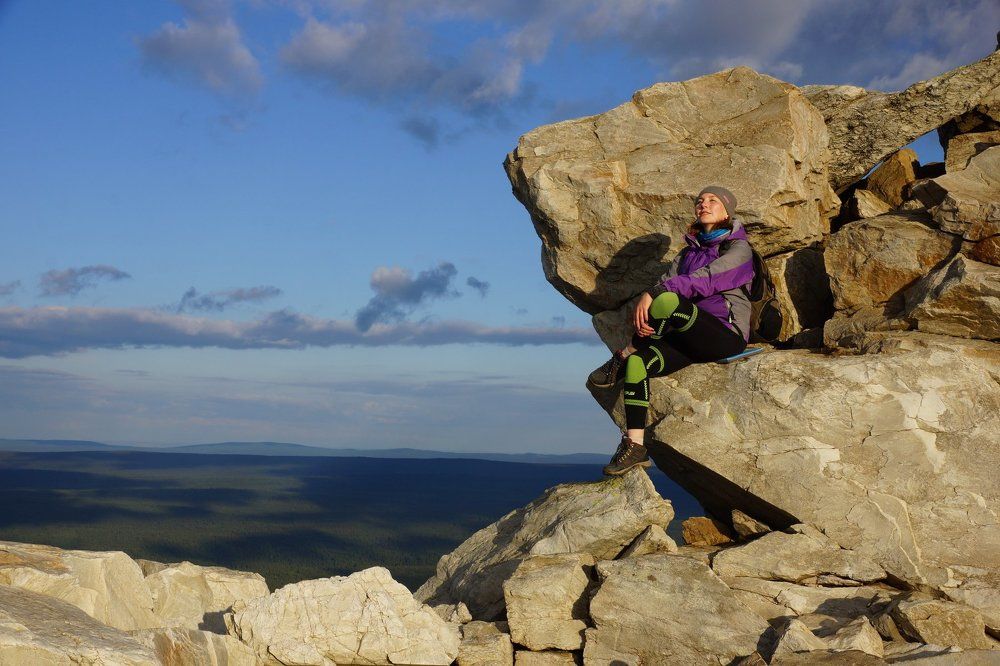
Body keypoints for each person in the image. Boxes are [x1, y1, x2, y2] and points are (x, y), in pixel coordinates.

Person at [589, 186, 753, 476]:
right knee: (639, 366)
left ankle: (626, 352)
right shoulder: (687, 253)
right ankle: (635, 446)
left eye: (713, 200)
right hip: (688, 338)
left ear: (728, 211)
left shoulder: (738, 249)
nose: (703, 204)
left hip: (725, 336)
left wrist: (654, 293)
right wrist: (653, 298)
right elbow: (667, 282)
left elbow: (707, 280)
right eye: (699, 201)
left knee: (665, 299)